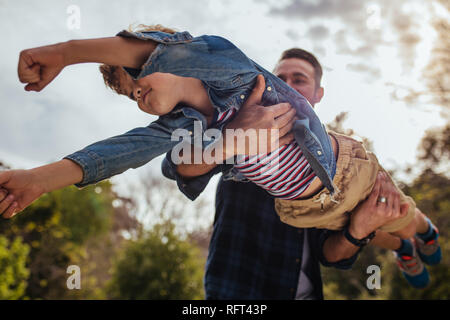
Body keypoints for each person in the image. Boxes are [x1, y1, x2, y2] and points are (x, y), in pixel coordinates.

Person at [3, 25, 440, 291]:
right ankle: (404, 245)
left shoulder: (232, 72)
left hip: (346, 170)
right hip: (302, 209)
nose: (137, 89)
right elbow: (122, 151)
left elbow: (156, 51)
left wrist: (65, 53)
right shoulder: (184, 127)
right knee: (359, 225)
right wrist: (39, 179)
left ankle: (425, 233)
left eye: (137, 74)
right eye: (128, 92)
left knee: (398, 211)